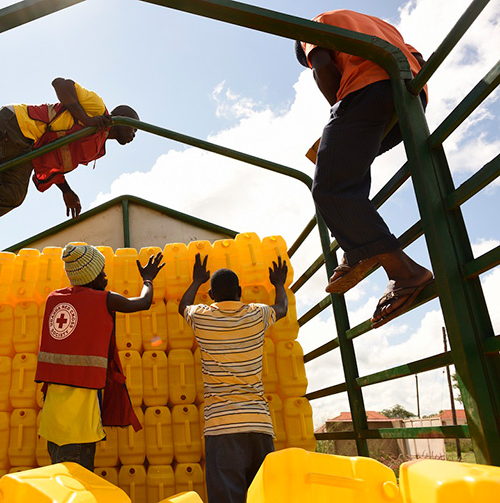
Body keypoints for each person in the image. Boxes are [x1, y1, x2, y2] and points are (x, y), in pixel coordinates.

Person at [294, 9, 434, 328]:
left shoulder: (313, 25)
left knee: (330, 188)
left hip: (368, 90)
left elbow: (323, 66)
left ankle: (405, 273)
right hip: (410, 97)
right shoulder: (381, 25)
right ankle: (356, 247)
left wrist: (340, 110)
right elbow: (420, 59)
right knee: (345, 167)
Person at [0, 78, 139, 268]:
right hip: (16, 128)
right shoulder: (97, 108)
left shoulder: (96, 145)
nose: (134, 135)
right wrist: (87, 118)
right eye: (134, 129)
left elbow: (52, 159)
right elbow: (61, 84)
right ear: (121, 119)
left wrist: (66, 191)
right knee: (12, 194)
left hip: (12, 133)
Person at [34, 243, 163, 471]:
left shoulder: (55, 299)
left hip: (52, 421)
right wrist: (148, 279)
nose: (105, 277)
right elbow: (143, 302)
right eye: (101, 272)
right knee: (77, 486)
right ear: (91, 275)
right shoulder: (102, 299)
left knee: (60, 481)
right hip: (78, 425)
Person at [179, 254, 287, 503]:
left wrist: (196, 281)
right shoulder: (258, 314)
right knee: (262, 497)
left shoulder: (202, 316)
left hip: (221, 427)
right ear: (240, 292)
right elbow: (281, 308)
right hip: (259, 425)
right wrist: (278, 283)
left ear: (212, 295)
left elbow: (182, 306)